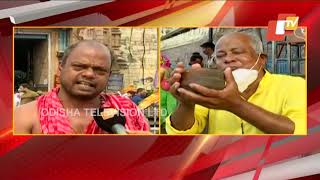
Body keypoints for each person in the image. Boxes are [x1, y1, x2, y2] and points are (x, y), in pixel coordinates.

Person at [166, 32, 306, 134]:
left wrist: (236, 105)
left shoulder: (294, 85)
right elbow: (182, 131)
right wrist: (186, 102)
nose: (228, 59)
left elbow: (300, 130)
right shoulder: (211, 88)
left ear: (261, 59)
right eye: (220, 56)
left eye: (237, 52)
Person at [14, 40, 150, 134]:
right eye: (79, 67)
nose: (89, 74)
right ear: (60, 68)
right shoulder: (25, 116)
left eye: (100, 70)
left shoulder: (128, 110)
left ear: (108, 75)